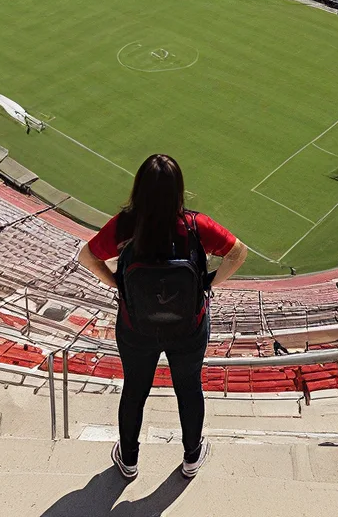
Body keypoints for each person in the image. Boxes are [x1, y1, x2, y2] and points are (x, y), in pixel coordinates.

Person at [78, 154, 247, 481]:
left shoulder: (125, 225)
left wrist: (118, 283)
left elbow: (87, 257)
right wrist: (209, 282)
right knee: (188, 387)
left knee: (135, 389)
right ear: (179, 190)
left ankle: (128, 459)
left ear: (138, 188)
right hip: (188, 326)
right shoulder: (197, 225)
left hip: (136, 326)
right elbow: (238, 252)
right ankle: (192, 456)